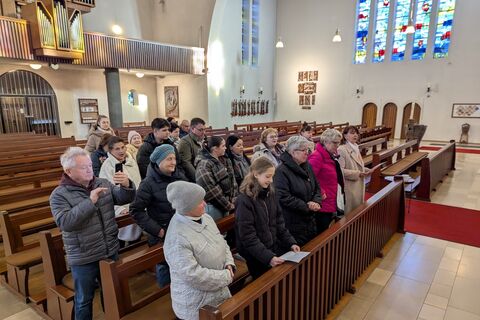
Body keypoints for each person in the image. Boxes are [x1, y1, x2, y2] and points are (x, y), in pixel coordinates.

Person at [49, 147, 135, 320]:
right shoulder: (59, 195)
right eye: (83, 167)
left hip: (109, 249)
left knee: (111, 293)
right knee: (84, 300)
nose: (90, 169)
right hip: (84, 256)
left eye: (90, 165)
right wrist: (90, 202)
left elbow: (123, 198)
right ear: (68, 171)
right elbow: (65, 223)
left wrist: (127, 185)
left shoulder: (101, 182)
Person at [164, 181, 235, 320]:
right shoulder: (177, 237)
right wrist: (226, 276)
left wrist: (229, 263)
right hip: (197, 304)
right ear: (187, 206)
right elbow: (193, 275)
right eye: (199, 202)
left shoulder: (206, 218)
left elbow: (221, 242)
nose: (205, 203)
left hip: (220, 291)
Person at [130, 144, 187, 287]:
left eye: (174, 158)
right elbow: (136, 210)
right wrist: (158, 231)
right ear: (158, 161)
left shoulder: (178, 176)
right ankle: (165, 296)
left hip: (181, 231)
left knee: (182, 268)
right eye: (169, 159)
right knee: (164, 268)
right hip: (162, 235)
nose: (173, 162)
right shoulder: (148, 184)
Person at [235, 157, 300, 279]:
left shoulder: (270, 194)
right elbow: (248, 236)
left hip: (271, 247)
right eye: (267, 176)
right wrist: (268, 257)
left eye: (272, 176)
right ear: (256, 174)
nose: (271, 180)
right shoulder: (244, 200)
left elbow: (279, 223)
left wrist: (290, 242)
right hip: (255, 254)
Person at [274, 136, 322, 246]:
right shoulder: (281, 171)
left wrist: (316, 202)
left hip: (309, 219)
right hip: (293, 223)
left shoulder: (307, 165)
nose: (307, 153)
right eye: (304, 150)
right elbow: (283, 196)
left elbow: (316, 187)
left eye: (308, 150)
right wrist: (306, 206)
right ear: (293, 152)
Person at [99, 136, 142, 247]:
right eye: (117, 149)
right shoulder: (107, 166)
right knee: (120, 241)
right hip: (120, 209)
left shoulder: (131, 161)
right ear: (111, 151)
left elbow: (138, 182)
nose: (121, 151)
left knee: (137, 243)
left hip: (135, 204)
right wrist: (119, 209)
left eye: (123, 147)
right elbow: (106, 191)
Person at [308, 129, 345, 233]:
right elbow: (308, 178)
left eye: (339, 142)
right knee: (321, 234)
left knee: (328, 231)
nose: (338, 145)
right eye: (335, 142)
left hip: (331, 200)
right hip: (322, 204)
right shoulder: (317, 157)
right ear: (325, 142)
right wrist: (321, 192)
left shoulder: (330, 155)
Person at [195, 136, 237, 221]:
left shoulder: (225, 159)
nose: (225, 148)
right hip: (214, 207)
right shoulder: (204, 164)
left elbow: (233, 180)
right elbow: (210, 190)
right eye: (223, 146)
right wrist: (228, 205)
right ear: (215, 149)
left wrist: (233, 199)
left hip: (228, 203)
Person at [337, 126, 372, 214]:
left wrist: (366, 170)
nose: (355, 135)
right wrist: (358, 174)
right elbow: (340, 171)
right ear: (345, 136)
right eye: (352, 133)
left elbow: (357, 165)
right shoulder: (342, 149)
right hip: (349, 187)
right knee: (349, 214)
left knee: (357, 212)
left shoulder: (356, 147)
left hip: (358, 185)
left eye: (356, 133)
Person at [178, 117, 206, 182]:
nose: (203, 132)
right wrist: (199, 179)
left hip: (204, 171)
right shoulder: (185, 141)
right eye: (200, 130)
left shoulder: (203, 139)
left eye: (204, 129)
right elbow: (186, 164)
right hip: (194, 176)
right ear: (192, 129)